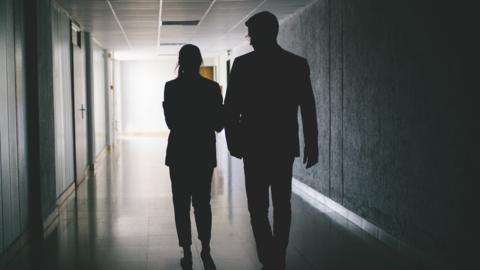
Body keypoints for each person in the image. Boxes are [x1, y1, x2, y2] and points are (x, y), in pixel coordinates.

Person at [224, 11, 319, 270]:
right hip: (282, 145)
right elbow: (307, 107)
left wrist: (234, 142)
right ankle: (278, 255)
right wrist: (312, 143)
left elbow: (230, 109)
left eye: (252, 34)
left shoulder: (243, 66)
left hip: (254, 146)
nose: (250, 39)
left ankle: (269, 256)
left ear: (265, 33)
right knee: (282, 204)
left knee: (257, 207)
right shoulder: (295, 64)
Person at [163, 44, 223, 270]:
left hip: (179, 152)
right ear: (199, 62)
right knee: (202, 202)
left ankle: (186, 249)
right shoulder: (211, 88)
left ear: (180, 62)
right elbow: (218, 125)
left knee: (180, 202)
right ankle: (205, 247)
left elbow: (171, 122)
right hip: (203, 153)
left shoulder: (171, 88)